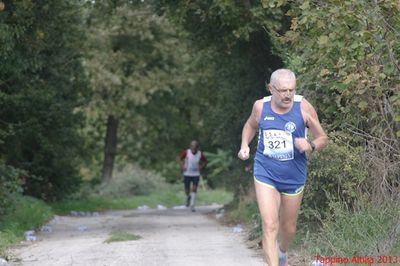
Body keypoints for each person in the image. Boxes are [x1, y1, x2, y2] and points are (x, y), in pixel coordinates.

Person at [238, 69, 328, 266]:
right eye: (283, 90)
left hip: (294, 174)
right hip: (265, 171)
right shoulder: (260, 107)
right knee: (270, 225)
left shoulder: (303, 107)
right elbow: (250, 125)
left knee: (289, 228)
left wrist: (310, 145)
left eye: (291, 90)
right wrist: (245, 145)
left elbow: (322, 138)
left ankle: (282, 250)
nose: (288, 94)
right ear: (271, 89)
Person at [180, 140, 208, 212]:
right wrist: (183, 166)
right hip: (187, 173)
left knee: (194, 188)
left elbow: (205, 161)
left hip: (196, 173)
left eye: (195, 147)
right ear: (190, 147)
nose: (194, 148)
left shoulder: (200, 154)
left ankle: (192, 205)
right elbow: (180, 159)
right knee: (187, 189)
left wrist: (201, 167)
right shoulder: (186, 152)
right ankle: (188, 196)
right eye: (192, 146)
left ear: (197, 147)